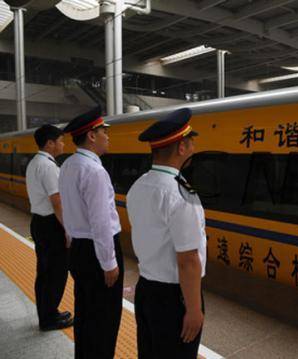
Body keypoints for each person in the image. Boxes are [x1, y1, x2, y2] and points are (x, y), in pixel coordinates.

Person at [127, 108, 206, 359]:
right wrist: (193, 309)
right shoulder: (182, 194)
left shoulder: (137, 187)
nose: (193, 147)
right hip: (175, 298)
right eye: (190, 141)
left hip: (146, 290)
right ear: (181, 148)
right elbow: (188, 259)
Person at [58, 107, 123, 359]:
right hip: (98, 252)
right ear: (92, 136)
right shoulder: (95, 171)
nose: (108, 136)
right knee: (105, 320)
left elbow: (69, 208)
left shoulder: (68, 165)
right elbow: (101, 222)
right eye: (104, 131)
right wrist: (109, 263)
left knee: (85, 312)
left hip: (79, 249)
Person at [25, 124, 73, 331]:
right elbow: (57, 201)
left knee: (45, 272)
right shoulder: (48, 167)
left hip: (39, 222)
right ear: (50, 143)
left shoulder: (34, 163)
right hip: (51, 225)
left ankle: (48, 313)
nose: (63, 144)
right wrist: (68, 229)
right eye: (60, 140)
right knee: (55, 272)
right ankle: (49, 318)